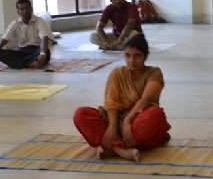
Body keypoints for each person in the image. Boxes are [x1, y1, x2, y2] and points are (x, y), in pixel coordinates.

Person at [73, 34, 170, 162]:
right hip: (115, 120)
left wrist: (127, 120)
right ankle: (121, 150)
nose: (131, 61)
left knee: (156, 114)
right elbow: (111, 104)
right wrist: (112, 127)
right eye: (127, 55)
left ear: (145, 56)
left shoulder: (154, 73)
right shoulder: (117, 73)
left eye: (137, 56)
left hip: (137, 123)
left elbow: (146, 99)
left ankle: (111, 146)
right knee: (80, 114)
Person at [0, 0, 52, 69]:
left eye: (27, 8)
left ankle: (21, 63)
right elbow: (3, 41)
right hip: (23, 52)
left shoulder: (39, 21)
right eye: (22, 9)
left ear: (31, 9)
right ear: (18, 11)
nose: (25, 11)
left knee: (46, 52)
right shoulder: (15, 24)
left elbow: (44, 37)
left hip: (37, 50)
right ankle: (31, 63)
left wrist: (42, 54)